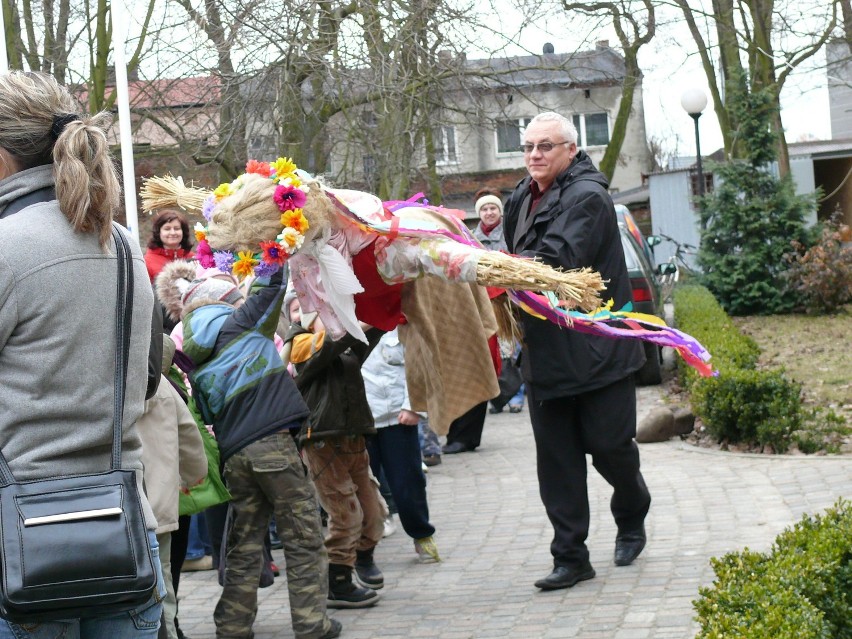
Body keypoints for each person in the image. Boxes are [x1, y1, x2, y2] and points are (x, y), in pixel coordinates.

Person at [0, 71, 166, 636]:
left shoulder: (5, 247)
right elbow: (146, 378)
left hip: (17, 541)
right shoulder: (119, 243)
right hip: (121, 531)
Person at [502, 111, 651, 591]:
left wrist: (486, 268)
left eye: (545, 146)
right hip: (545, 354)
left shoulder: (588, 196)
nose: (534, 155)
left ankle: (631, 513)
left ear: (571, 149)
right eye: (528, 147)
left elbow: (556, 261)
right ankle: (570, 556)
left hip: (596, 351)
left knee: (610, 448)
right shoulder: (519, 198)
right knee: (558, 462)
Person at [157, 262, 340, 639]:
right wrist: (274, 237)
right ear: (225, 301)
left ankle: (233, 625)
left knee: (245, 542)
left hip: (235, 455)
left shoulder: (193, 354)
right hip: (272, 444)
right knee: (303, 537)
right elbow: (273, 283)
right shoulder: (241, 323)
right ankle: (311, 624)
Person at [284, 295, 385, 609]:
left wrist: (383, 307)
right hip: (322, 441)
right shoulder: (299, 344)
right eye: (301, 310)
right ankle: (337, 581)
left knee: (374, 514)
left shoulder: (341, 343)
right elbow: (328, 346)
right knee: (345, 514)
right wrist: (356, 323)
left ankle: (359, 560)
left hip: (353, 438)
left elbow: (366, 336)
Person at [136, 335, 208, 639]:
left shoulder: (116, 382)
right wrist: (195, 475)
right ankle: (165, 631)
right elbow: (190, 436)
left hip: (124, 501)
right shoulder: (165, 388)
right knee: (162, 575)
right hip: (160, 503)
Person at [362, 328, 441, 566]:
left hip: (398, 418)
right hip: (361, 422)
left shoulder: (400, 327)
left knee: (408, 483)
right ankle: (364, 549)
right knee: (364, 488)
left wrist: (413, 406)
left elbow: (419, 368)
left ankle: (422, 534)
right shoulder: (344, 327)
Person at [145, 209, 195, 282]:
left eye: (177, 228)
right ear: (158, 232)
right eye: (167, 229)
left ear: (183, 232)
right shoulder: (147, 262)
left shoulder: (194, 258)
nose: (172, 232)